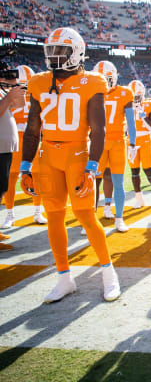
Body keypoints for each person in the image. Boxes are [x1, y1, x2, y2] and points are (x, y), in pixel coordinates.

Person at [20, 27, 120, 302]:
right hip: (48, 154)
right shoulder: (40, 82)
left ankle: (108, 273)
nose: (55, 56)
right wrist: (25, 165)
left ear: (77, 51)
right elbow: (32, 128)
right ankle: (64, 278)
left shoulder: (92, 82)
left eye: (61, 50)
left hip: (77, 153)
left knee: (86, 216)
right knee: (53, 216)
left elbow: (98, 130)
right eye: (51, 50)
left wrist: (91, 167)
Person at [92, 60, 135, 232]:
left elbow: (131, 121)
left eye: (108, 78)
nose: (106, 82)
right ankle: (92, 219)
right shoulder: (91, 93)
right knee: (94, 182)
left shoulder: (125, 93)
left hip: (117, 141)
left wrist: (132, 143)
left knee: (118, 182)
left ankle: (119, 218)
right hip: (98, 142)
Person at [2, 65, 47, 229]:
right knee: (11, 178)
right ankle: (9, 214)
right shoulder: (8, 96)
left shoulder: (38, 96)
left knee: (36, 176)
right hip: (14, 139)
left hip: (33, 139)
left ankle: (37, 211)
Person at [0, 66, 27, 250]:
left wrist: (18, 91)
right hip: (0, 148)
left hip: (5, 147)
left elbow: (18, 106)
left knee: (2, 188)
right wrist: (9, 96)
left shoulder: (3, 91)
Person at [128, 80, 151, 208]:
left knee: (148, 170)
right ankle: (139, 198)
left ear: (142, 94)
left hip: (145, 140)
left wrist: (142, 114)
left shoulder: (150, 104)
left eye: (137, 96)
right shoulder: (126, 106)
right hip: (131, 141)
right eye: (133, 97)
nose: (135, 99)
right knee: (134, 172)